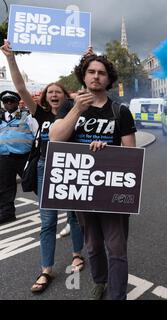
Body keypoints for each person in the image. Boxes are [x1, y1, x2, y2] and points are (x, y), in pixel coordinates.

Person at [49, 51, 137, 300]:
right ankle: (100, 281)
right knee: (93, 245)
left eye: (101, 73)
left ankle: (117, 295)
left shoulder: (120, 111)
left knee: (116, 247)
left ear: (109, 79)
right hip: (82, 190)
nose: (96, 76)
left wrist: (107, 151)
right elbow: (56, 138)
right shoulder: (69, 106)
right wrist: (77, 108)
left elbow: (130, 153)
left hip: (112, 190)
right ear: (84, 76)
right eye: (91, 72)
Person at [1, 40, 85, 293]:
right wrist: (10, 58)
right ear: (45, 98)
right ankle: (46, 269)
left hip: (70, 168)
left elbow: (85, 89)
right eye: (50, 92)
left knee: (73, 216)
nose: (54, 95)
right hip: (44, 168)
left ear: (65, 96)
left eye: (58, 91)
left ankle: (77, 254)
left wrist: (85, 60)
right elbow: (20, 87)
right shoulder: (41, 115)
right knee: (47, 220)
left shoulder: (75, 113)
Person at [0, 89, 34, 225]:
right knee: (4, 186)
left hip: (23, 157)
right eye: (5, 101)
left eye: (12, 100)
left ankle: (48, 208)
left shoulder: (27, 116)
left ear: (17, 102)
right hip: (4, 157)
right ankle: (7, 213)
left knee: (34, 182)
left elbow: (36, 132)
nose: (8, 103)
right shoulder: (1, 118)